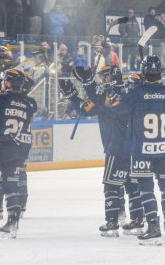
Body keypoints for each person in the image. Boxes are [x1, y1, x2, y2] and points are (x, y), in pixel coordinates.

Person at [61, 65, 143, 236]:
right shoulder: (126, 93)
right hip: (134, 148)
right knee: (132, 184)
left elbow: (94, 103)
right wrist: (74, 95)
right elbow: (87, 108)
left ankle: (112, 222)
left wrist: (84, 86)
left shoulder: (111, 95)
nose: (101, 80)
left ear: (111, 76)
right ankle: (137, 221)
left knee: (111, 185)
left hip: (117, 147)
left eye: (103, 77)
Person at [117, 56, 165, 244]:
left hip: (141, 149)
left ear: (143, 72)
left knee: (147, 190)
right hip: (164, 148)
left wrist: (131, 86)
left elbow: (121, 110)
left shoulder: (135, 93)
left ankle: (153, 227)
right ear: (160, 73)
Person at [0, 69, 36, 238]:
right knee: (12, 184)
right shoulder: (29, 103)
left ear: (9, 82)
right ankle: (13, 223)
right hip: (18, 148)